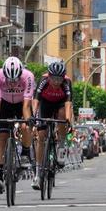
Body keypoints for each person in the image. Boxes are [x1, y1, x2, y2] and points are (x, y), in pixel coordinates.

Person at [31, 60, 73, 190]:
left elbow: (68, 104)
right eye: (53, 78)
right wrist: (32, 116)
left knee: (62, 115)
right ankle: (38, 174)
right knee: (41, 136)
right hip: (45, 104)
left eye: (59, 79)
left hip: (60, 104)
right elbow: (36, 100)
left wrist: (68, 120)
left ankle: (61, 145)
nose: (56, 82)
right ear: (49, 76)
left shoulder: (67, 82)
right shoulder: (43, 80)